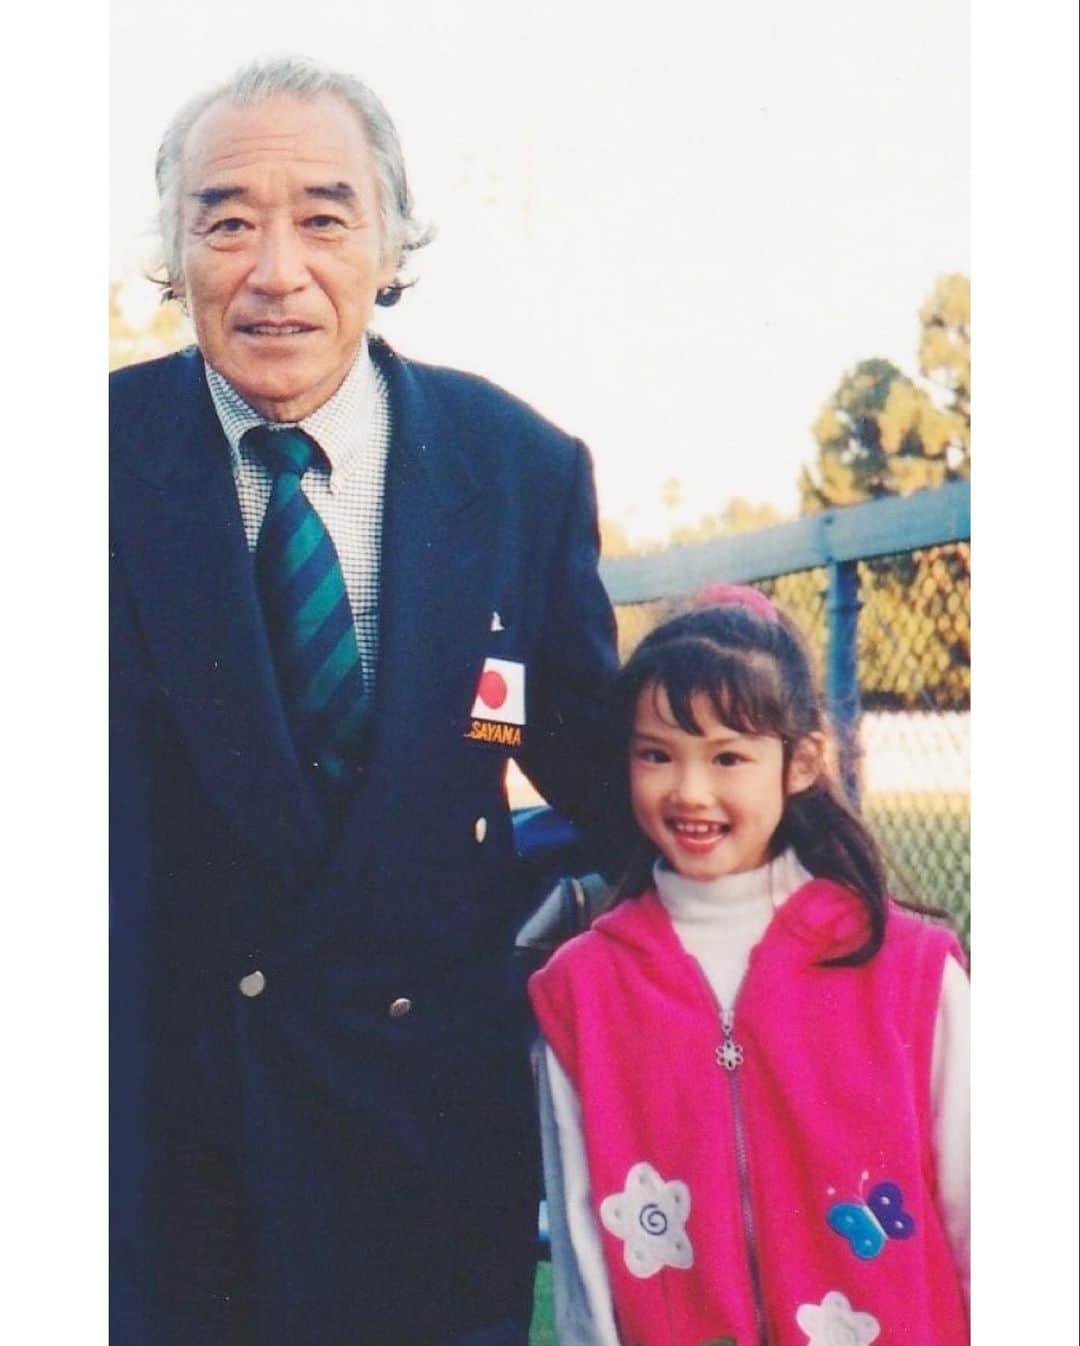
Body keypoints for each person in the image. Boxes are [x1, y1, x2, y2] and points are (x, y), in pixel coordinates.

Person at [110, 57, 617, 1346]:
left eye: (324, 218)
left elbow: (603, 771)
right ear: (172, 255)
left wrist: (816, 907)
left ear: (390, 247)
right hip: (161, 1159)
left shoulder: (519, 468)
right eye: (227, 220)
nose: (276, 267)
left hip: (425, 1153)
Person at [529, 588, 969, 1346]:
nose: (690, 791)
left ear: (800, 763)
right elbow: (582, 1260)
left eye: (728, 756)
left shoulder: (911, 971)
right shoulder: (581, 990)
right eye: (656, 755)